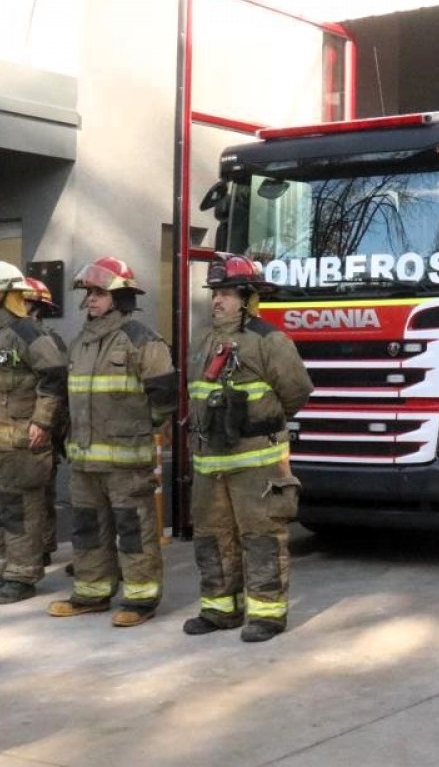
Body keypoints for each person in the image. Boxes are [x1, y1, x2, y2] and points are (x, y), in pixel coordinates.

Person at [184, 255, 312, 643]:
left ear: (246, 297)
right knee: (211, 534)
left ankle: (267, 614)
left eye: (226, 293)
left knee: (259, 535)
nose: (217, 300)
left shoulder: (269, 340)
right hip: (209, 459)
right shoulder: (203, 339)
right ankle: (219, 609)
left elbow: (297, 390)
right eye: (215, 293)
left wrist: (262, 422)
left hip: (256, 458)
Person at [48, 257, 177, 627]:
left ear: (120, 297)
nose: (90, 299)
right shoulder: (81, 343)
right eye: (88, 292)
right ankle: (91, 593)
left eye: (99, 293)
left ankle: (141, 599)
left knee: (134, 531)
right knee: (87, 530)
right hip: (85, 460)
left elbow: (164, 396)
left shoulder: (142, 341)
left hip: (126, 461)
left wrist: (142, 428)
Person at [0, 262, 68, 605]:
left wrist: (42, 422)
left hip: (18, 442)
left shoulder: (27, 333)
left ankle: (21, 576)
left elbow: (55, 379)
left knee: (19, 510)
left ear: (9, 295)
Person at [21, 276, 70, 564]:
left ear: (36, 307)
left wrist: (50, 425)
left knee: (38, 491)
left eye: (24, 302)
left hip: (41, 426)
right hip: (19, 425)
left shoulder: (47, 340)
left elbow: (57, 385)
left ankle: (41, 547)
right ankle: (39, 546)